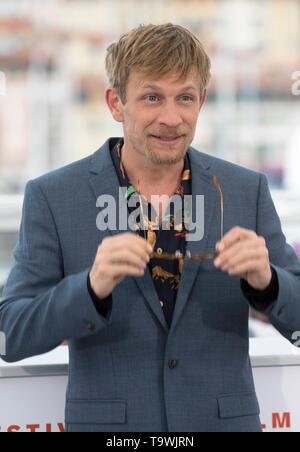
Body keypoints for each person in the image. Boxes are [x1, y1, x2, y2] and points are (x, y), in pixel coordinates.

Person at [1, 23, 300, 433]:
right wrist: (89, 288)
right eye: (152, 97)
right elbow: (13, 334)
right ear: (115, 103)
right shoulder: (53, 196)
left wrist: (268, 284)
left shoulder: (246, 190)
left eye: (185, 98)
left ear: (203, 102)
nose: (171, 117)